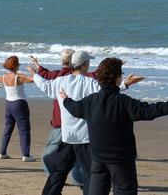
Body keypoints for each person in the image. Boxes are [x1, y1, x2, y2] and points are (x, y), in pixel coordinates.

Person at [27, 50, 144, 195]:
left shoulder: (60, 82)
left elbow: (44, 85)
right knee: (90, 175)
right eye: (88, 62)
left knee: (59, 171)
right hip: (85, 139)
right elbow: (107, 94)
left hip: (68, 136)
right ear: (84, 65)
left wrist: (35, 74)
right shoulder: (91, 83)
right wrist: (126, 84)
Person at [61, 57, 168, 195]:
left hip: (98, 159)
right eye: (121, 74)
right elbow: (150, 110)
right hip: (120, 161)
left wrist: (66, 100)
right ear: (117, 79)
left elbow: (74, 108)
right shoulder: (123, 102)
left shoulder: (91, 101)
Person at [29, 49, 83, 186]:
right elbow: (45, 75)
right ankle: (74, 179)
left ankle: (64, 177)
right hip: (73, 123)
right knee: (73, 153)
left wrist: (37, 68)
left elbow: (45, 75)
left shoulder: (58, 76)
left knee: (52, 153)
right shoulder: (77, 76)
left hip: (62, 123)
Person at [0, 55, 36, 162]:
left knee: (7, 129)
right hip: (19, 104)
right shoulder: (19, 77)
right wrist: (34, 71)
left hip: (9, 105)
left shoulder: (4, 77)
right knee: (24, 129)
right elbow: (34, 80)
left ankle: (2, 152)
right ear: (16, 66)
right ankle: (26, 155)